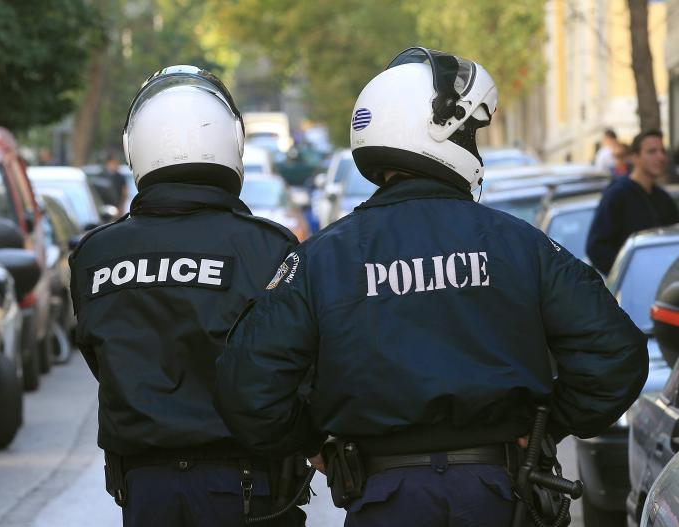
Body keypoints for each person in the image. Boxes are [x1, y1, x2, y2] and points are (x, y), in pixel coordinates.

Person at [215, 48, 648, 526]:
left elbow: (247, 385)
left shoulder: (322, 258)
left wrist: (314, 441)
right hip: (501, 495)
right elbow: (616, 354)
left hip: (384, 498)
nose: (474, 147)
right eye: (468, 132)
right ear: (440, 131)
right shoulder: (518, 244)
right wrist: (550, 425)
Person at [69, 65, 305, 527]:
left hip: (145, 489)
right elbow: (296, 365)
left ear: (135, 147)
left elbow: (101, 359)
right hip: (247, 485)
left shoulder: (95, 253)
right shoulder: (267, 246)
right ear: (232, 142)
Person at [586, 129, 679, 275]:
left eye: (662, 151)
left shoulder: (663, 198)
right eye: (652, 151)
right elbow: (596, 248)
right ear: (635, 157)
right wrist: (629, 275)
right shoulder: (617, 195)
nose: (660, 157)